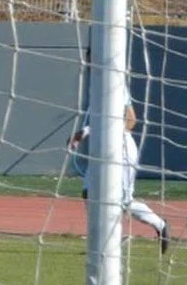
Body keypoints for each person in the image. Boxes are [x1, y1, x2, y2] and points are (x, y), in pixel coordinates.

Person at [71, 101, 170, 254]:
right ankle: (104, 241)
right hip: (103, 149)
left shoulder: (120, 88)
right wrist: (83, 133)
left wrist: (100, 131)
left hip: (123, 151)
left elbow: (131, 121)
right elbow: (98, 122)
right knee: (88, 191)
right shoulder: (96, 83)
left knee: (124, 201)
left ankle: (159, 224)